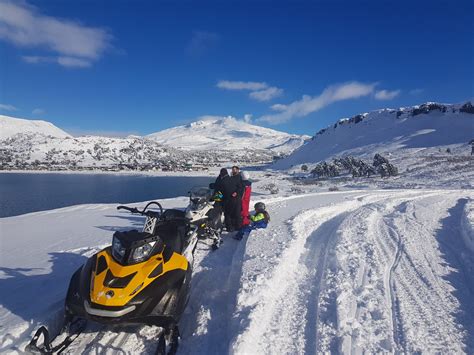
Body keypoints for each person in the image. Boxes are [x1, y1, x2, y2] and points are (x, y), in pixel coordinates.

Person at [216, 167, 243, 232]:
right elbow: (240, 187)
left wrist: (215, 201)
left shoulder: (222, 182)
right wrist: (236, 192)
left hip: (228, 201)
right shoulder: (233, 179)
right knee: (237, 214)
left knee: (227, 214)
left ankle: (229, 228)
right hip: (237, 200)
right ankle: (238, 227)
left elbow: (219, 193)